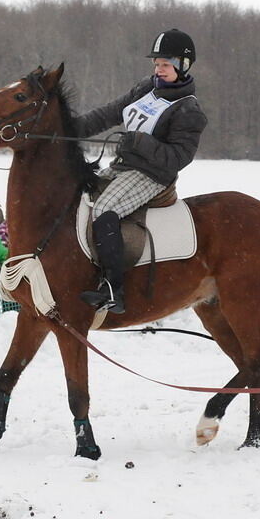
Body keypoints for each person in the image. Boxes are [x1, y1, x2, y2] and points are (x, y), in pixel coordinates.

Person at [71, 28, 208, 314]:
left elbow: (178, 158)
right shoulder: (147, 88)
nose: (159, 70)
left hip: (153, 176)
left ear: (183, 66)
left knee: (103, 210)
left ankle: (113, 288)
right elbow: (110, 112)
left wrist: (141, 142)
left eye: (166, 65)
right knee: (79, 197)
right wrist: (71, 128)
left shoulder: (188, 110)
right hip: (123, 166)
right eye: (157, 64)